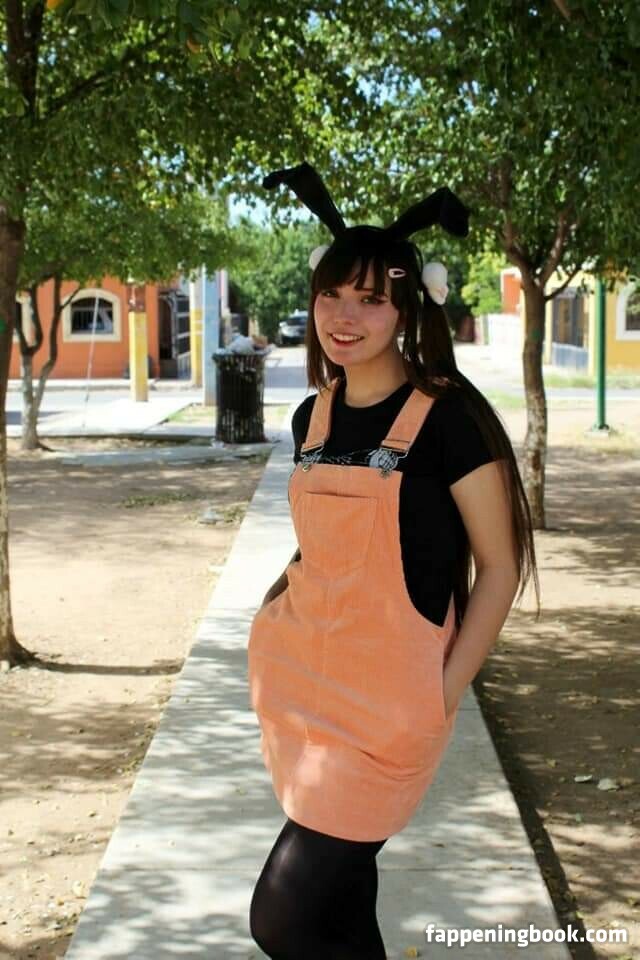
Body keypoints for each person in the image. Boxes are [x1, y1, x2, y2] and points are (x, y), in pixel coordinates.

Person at [247, 162, 540, 960]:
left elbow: (501, 567)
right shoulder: (312, 415)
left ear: (406, 309)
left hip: (388, 714)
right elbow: (319, 547)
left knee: (282, 919)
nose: (345, 317)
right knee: (341, 913)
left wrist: (442, 692)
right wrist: (271, 617)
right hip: (301, 693)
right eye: (333, 295)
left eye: (371, 299)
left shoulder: (449, 421)